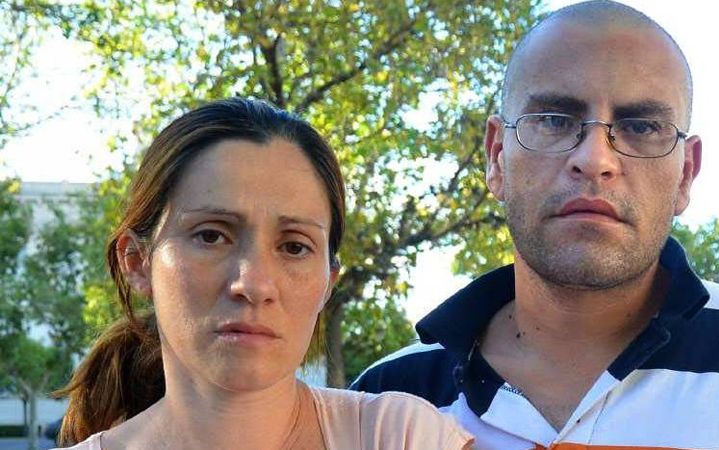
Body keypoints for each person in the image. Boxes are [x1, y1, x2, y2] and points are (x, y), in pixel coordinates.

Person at [351, 2, 719, 449]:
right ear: (497, 157)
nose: (595, 159)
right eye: (553, 120)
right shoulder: (381, 404)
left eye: (642, 127)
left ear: (685, 173)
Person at [54, 98, 473, 450]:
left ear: (328, 282)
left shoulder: (401, 437)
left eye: (294, 246)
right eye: (211, 236)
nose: (253, 284)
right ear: (136, 261)